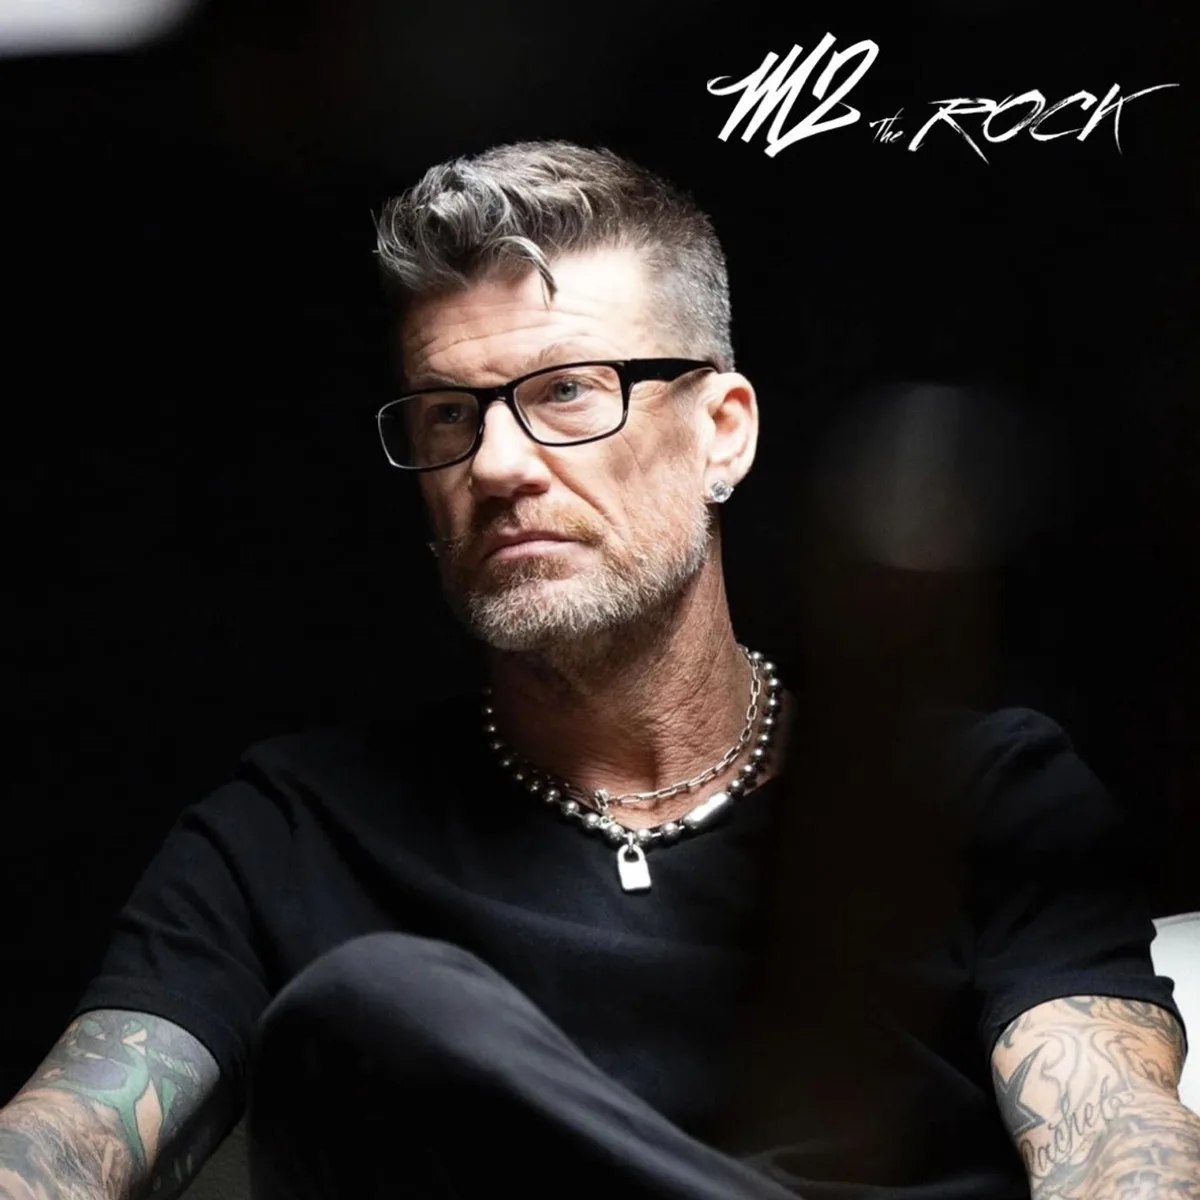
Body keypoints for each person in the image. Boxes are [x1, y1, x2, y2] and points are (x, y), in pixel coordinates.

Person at [0, 141, 1195, 1200]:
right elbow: (61, 1144)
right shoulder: (289, 836)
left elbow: (1114, 1139)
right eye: (447, 416)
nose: (497, 464)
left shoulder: (979, 795)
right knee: (380, 1012)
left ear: (723, 431)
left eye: (567, 392)